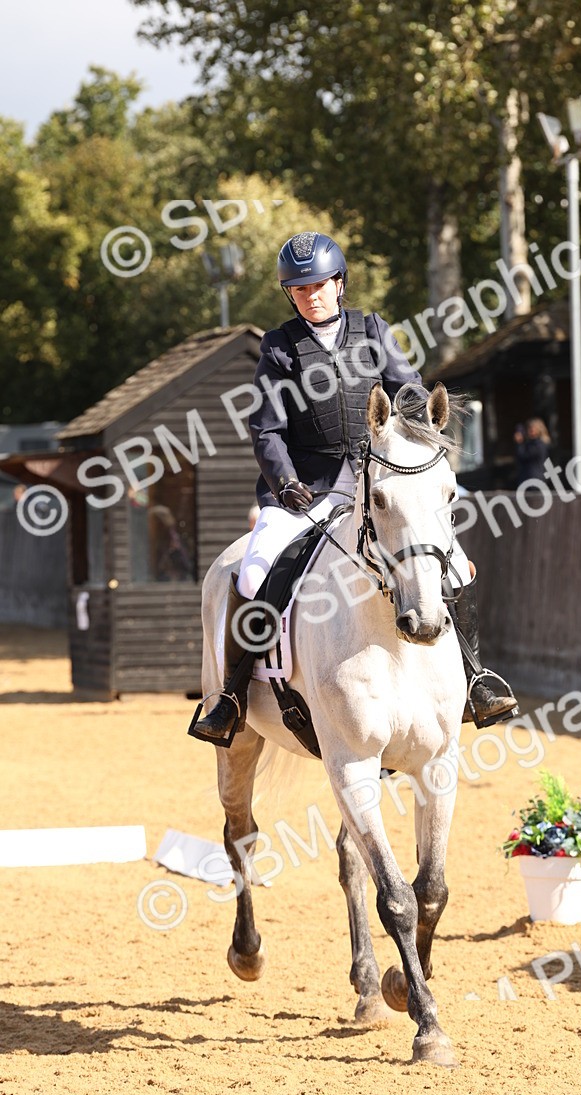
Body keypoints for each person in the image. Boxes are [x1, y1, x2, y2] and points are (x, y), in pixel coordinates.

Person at [191, 231, 518, 744]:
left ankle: (476, 678)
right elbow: (267, 429)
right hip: (305, 489)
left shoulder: (372, 331)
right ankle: (231, 696)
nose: (311, 296)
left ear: (339, 283)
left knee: (453, 563)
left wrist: (421, 425)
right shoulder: (279, 347)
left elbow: (408, 391)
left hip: (375, 482)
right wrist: (285, 482)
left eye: (320, 285)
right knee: (254, 572)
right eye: (300, 289)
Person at [514, 418, 550, 487]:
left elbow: (523, 456)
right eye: (529, 428)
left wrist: (519, 443)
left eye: (532, 429)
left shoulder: (539, 445)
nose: (530, 431)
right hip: (529, 478)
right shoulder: (530, 444)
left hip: (534, 479)